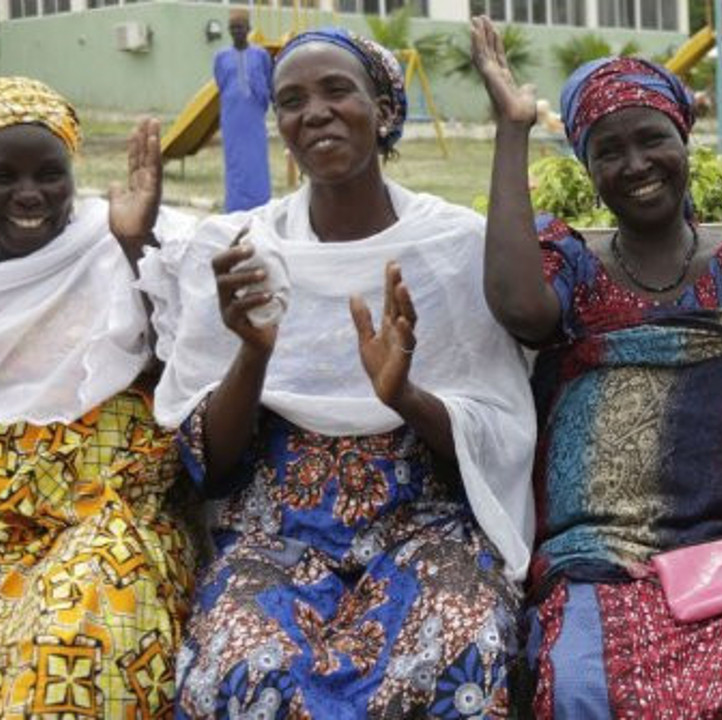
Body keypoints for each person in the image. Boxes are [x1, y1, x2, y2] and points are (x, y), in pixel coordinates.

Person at [473, 1, 722, 715]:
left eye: (652, 138)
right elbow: (520, 308)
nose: (635, 164)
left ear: (684, 138)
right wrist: (512, 129)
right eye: (608, 151)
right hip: (603, 555)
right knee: (576, 679)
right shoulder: (572, 267)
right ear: (588, 169)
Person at [139, 29, 536, 718]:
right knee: (239, 664)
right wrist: (254, 352)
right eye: (292, 101)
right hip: (274, 535)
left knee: (460, 643)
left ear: (383, 111)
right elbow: (209, 463)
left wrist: (402, 396)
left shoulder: (451, 246)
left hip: (423, 526)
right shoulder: (243, 252)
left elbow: (493, 437)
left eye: (336, 91)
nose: (314, 112)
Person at [0, 77, 195, 717]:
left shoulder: (111, 243)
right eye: (4, 176)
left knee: (75, 631)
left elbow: (186, 362)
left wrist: (138, 246)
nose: (29, 194)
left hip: (107, 521)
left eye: (49, 174)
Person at [213, 8, 273, 211]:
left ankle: (261, 204)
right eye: (232, 28)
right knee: (235, 161)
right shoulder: (221, 57)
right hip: (232, 117)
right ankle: (235, 207)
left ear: (248, 28)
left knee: (256, 159)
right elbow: (221, 82)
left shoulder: (261, 54)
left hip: (254, 116)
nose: (236, 31)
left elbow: (268, 79)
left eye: (240, 27)